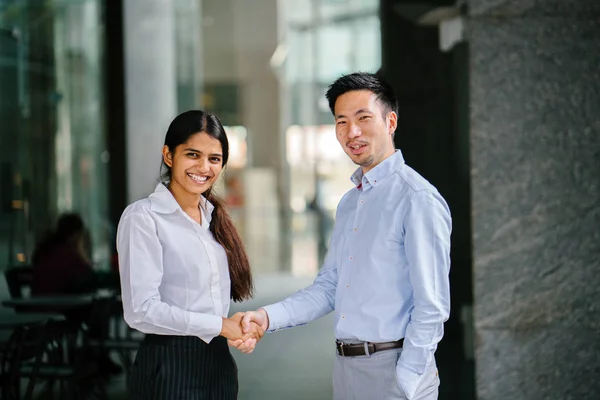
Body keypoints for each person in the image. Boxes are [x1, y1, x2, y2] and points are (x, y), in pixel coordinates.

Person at [234, 72, 452, 400]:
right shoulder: (351, 202)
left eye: (363, 118)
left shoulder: (416, 198)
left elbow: (432, 305)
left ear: (390, 121)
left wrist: (408, 375)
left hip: (394, 371)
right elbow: (329, 288)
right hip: (346, 370)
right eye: (341, 121)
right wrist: (266, 317)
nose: (352, 132)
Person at [116, 110, 264, 399]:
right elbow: (141, 310)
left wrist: (238, 331)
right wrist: (221, 326)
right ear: (169, 156)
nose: (204, 167)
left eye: (214, 159)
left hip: (219, 365)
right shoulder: (144, 218)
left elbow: (209, 303)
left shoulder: (213, 218)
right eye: (192, 154)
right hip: (170, 365)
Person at [31, 213, 96, 295]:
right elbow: (89, 276)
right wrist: (81, 252)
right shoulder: (68, 255)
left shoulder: (46, 250)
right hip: (61, 305)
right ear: (75, 235)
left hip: (37, 304)